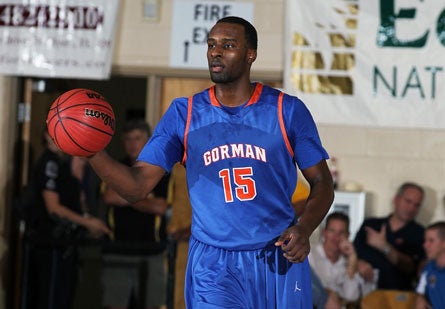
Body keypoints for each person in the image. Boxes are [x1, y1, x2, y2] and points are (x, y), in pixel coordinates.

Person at [85, 16, 334, 308]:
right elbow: (137, 187)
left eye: (228, 45)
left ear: (251, 54)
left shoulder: (286, 110)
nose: (216, 52)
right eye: (212, 45)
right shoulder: (184, 114)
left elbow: (323, 182)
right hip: (214, 264)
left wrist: (304, 229)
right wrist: (92, 152)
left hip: (275, 254)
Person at [24, 130, 110, 309]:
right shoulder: (50, 162)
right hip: (51, 243)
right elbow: (54, 209)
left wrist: (77, 178)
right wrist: (89, 223)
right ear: (46, 135)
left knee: (63, 297)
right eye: (53, 132)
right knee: (51, 299)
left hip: (66, 245)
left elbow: (76, 204)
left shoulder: (64, 163)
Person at [101, 119, 170, 309]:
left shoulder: (160, 170)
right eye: (128, 139)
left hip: (151, 251)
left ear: (148, 141)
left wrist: (127, 194)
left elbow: (160, 207)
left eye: (137, 138)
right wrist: (143, 196)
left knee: (152, 304)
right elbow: (109, 197)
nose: (132, 144)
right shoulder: (115, 167)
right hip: (118, 250)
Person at [353, 182, 426, 290]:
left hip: (396, 298)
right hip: (361, 295)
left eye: (417, 205)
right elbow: (350, 253)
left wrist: (385, 247)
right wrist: (356, 263)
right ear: (396, 199)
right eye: (408, 201)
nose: (411, 208)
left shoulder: (420, 233)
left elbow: (411, 268)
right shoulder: (371, 225)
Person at [309, 212, 377, 305]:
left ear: (348, 235)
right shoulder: (310, 254)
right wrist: (327, 294)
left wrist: (352, 258)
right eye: (332, 231)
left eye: (341, 233)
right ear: (324, 232)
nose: (336, 237)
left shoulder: (348, 262)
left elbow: (351, 296)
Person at [415, 221, 445, 309]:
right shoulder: (429, 267)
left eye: (431, 241)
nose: (425, 245)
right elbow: (420, 291)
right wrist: (420, 299)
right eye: (425, 240)